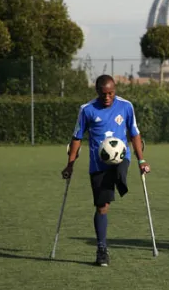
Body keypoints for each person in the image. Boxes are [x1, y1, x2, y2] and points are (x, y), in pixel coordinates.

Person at [61, 75, 151, 267]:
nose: (107, 97)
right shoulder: (86, 110)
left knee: (120, 167)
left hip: (122, 157)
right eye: (104, 94)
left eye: (111, 93)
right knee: (102, 207)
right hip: (98, 165)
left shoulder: (126, 106)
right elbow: (76, 137)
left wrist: (141, 160)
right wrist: (70, 164)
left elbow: (134, 133)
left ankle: (121, 182)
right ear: (97, 92)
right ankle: (102, 249)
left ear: (115, 90)